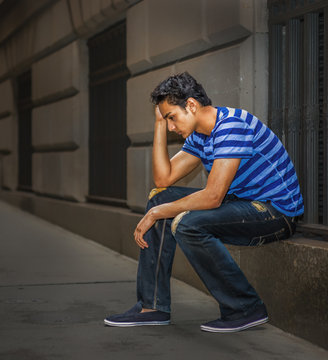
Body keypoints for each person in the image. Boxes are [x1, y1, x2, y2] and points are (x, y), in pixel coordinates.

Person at [104, 72, 304, 332]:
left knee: (185, 223)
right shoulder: (201, 135)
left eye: (172, 118)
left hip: (275, 213)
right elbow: (163, 178)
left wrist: (157, 213)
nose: (172, 127)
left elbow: (213, 196)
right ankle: (151, 306)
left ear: (191, 105)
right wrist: (158, 125)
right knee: (161, 197)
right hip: (242, 203)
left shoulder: (232, 125)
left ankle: (245, 307)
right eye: (167, 121)